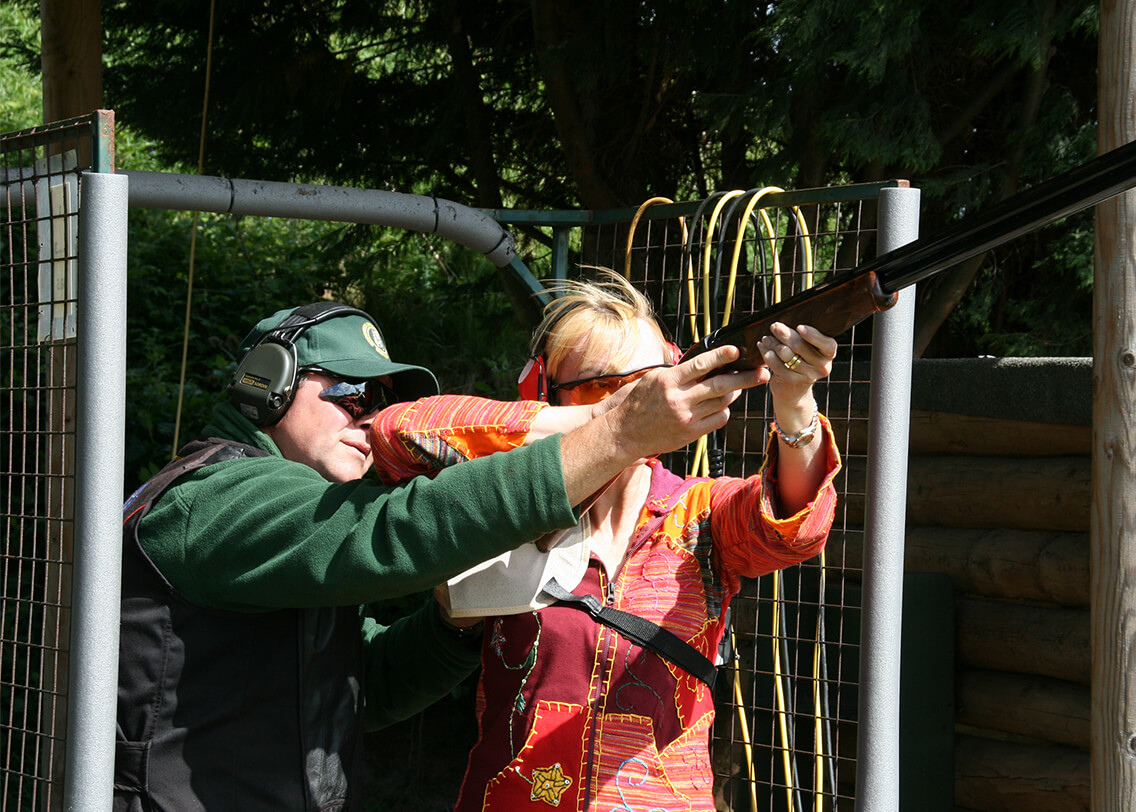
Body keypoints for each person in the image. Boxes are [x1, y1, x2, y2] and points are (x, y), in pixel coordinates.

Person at [114, 299, 763, 812]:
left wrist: (454, 624)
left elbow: (359, 682)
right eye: (349, 394)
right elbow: (397, 529)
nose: (368, 419)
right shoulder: (216, 499)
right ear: (269, 385)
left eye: (380, 402)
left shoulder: (283, 514)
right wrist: (615, 433)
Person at [370, 273, 842, 811]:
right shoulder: (508, 505)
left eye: (647, 382)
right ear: (549, 395)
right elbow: (394, 434)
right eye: (602, 386)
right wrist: (606, 426)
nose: (633, 402)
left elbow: (794, 530)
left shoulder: (701, 513)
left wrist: (795, 399)